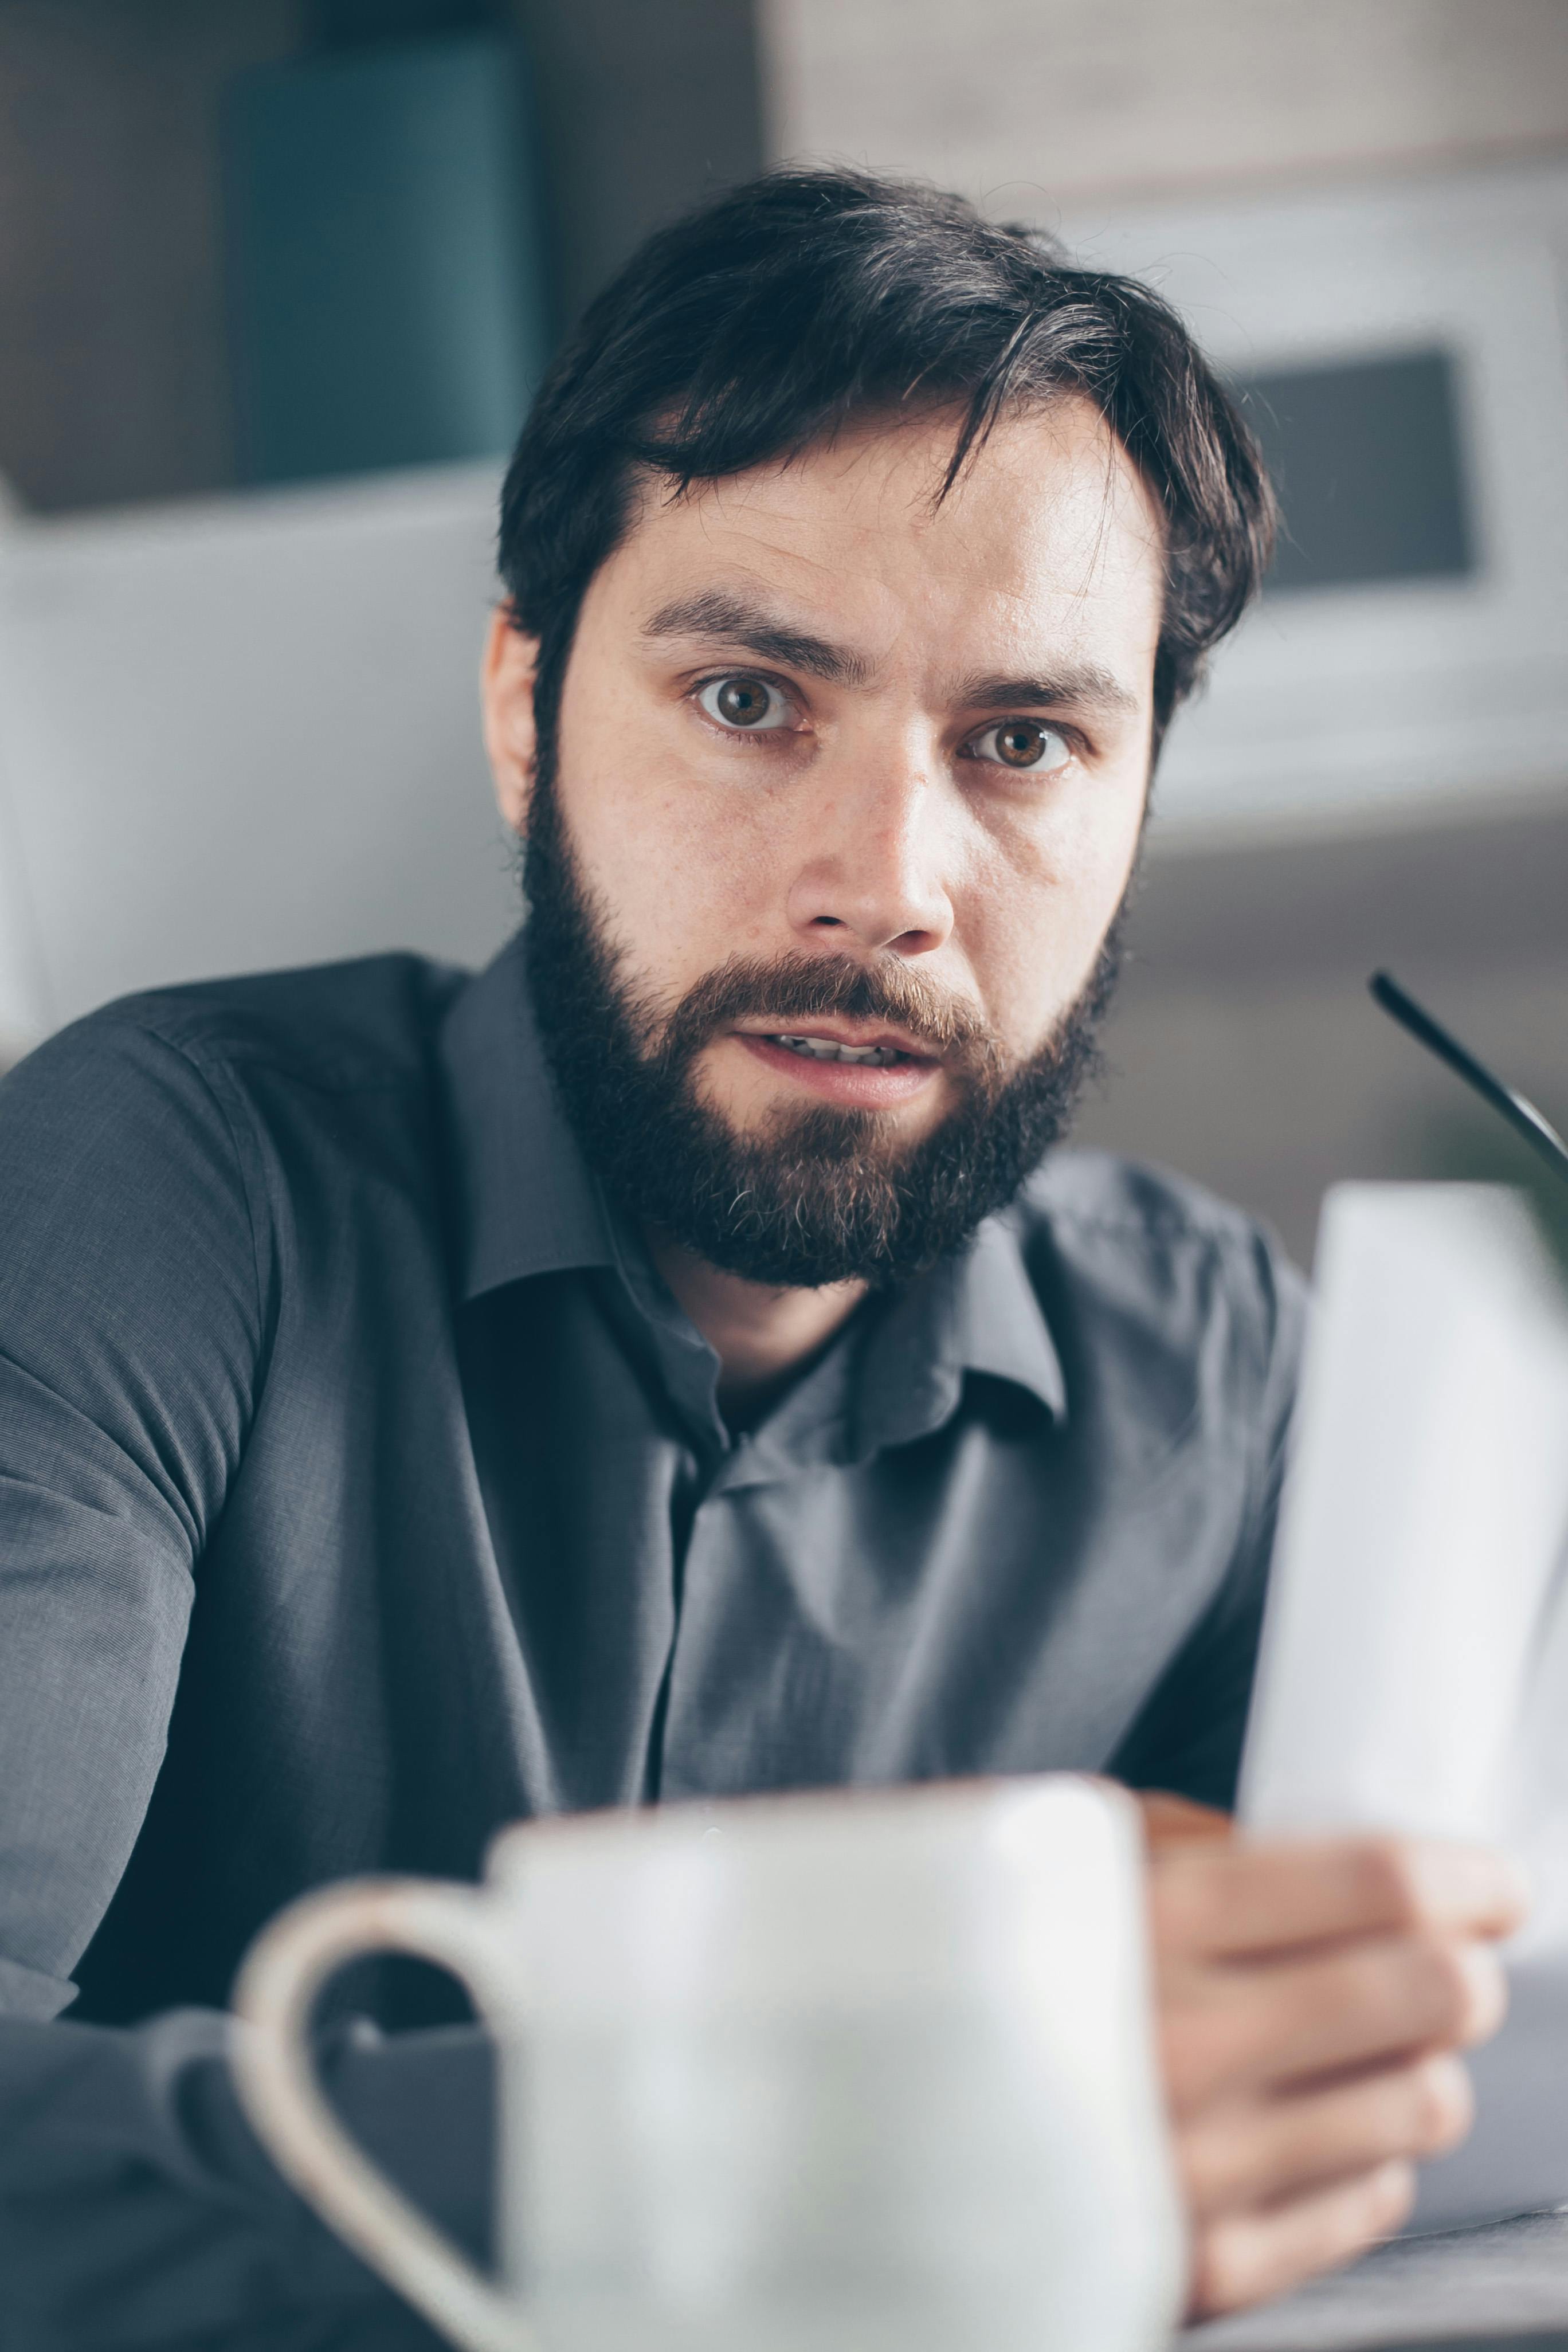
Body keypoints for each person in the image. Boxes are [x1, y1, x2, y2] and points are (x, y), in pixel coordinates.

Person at [0, 167, 1527, 2350]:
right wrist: (776, 2148)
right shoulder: (153, 1188)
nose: (883, 884)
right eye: (748, 701)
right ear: (529, 711)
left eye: (1022, 744)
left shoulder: (1214, 1373)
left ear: (1134, 802)